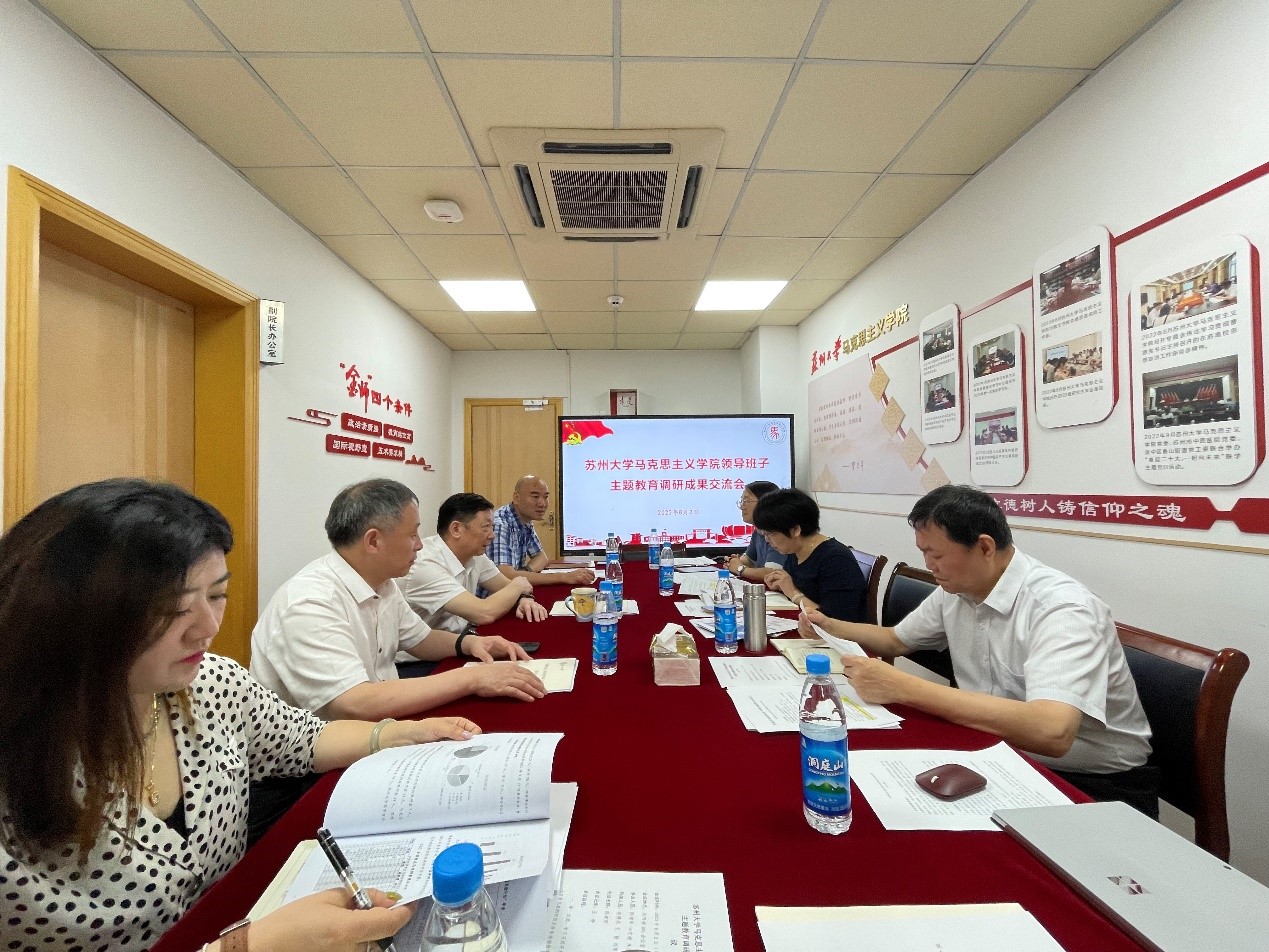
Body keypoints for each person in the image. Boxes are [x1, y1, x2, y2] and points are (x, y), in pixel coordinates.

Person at [0, 479, 481, 952]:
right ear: (70, 613)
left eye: (216, 596)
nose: (207, 629)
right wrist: (243, 947)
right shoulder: (19, 762)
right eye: (174, 608)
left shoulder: (210, 682)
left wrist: (394, 736)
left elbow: (301, 739)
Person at [803, 484, 1156, 815]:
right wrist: (828, 626)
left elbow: (1052, 730)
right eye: (924, 553)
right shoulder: (957, 590)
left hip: (1090, 783)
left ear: (985, 547)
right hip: (996, 751)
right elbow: (896, 640)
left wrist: (902, 687)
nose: (929, 565)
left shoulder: (1062, 608)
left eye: (936, 554)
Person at [251, 479, 546, 721]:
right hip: (314, 756)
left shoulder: (383, 581)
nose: (420, 545)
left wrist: (470, 644)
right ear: (373, 541)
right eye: (412, 534)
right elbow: (354, 703)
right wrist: (473, 679)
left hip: (379, 719)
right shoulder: (312, 602)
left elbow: (421, 639)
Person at [399, 492, 548, 632]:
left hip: (461, 638)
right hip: (428, 650)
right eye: (486, 527)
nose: (492, 535)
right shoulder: (425, 565)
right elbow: (484, 612)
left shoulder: (475, 554)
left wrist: (524, 599)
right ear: (456, 529)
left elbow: (505, 586)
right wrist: (519, 583)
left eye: (492, 527)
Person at [751, 488, 867, 622]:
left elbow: (835, 621)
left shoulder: (835, 559)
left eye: (771, 534)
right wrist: (781, 585)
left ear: (795, 530)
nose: (767, 540)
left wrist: (793, 593)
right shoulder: (796, 551)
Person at [488, 475, 595, 587]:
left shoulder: (525, 520)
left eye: (545, 497)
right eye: (535, 497)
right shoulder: (501, 525)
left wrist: (524, 572)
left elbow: (542, 558)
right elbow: (505, 576)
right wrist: (563, 577)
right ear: (516, 498)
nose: (542, 503)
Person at [723, 480, 781, 582]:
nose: (742, 507)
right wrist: (734, 562)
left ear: (764, 503)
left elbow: (772, 573)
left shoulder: (778, 532)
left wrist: (740, 569)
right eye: (742, 501)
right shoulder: (758, 531)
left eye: (747, 501)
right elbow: (749, 560)